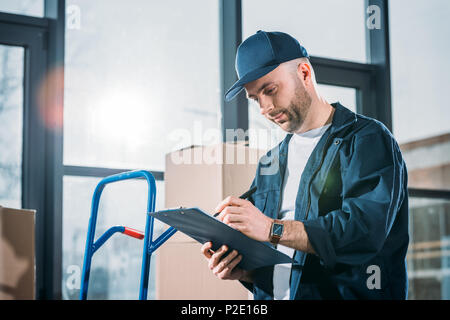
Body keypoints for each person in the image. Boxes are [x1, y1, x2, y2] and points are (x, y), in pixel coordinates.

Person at [200, 30, 409, 300]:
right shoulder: (270, 162)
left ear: (304, 73)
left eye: (270, 90)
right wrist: (246, 273)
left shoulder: (367, 140)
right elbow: (285, 262)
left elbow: (363, 232)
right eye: (255, 98)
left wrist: (271, 228)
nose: (264, 107)